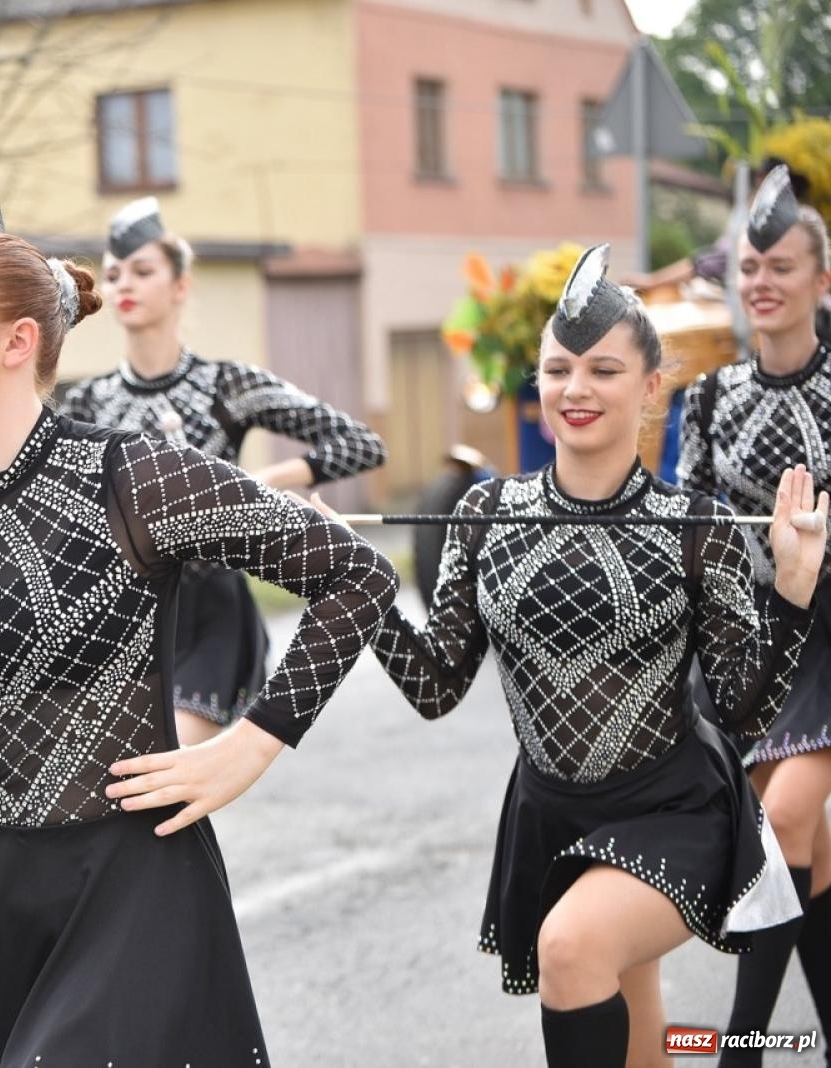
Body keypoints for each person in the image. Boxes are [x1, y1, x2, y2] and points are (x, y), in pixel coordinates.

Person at [0, 174, 398, 1065]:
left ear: (18, 342)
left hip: (135, 882)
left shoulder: (135, 476)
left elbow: (355, 577)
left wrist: (250, 746)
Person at [364, 244, 824, 1068]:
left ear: (652, 388)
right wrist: (358, 585)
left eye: (604, 370)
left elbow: (746, 711)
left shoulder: (697, 525)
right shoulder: (484, 512)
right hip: (551, 818)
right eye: (559, 367)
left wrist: (790, 592)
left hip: (675, 813)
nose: (576, 388)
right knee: (640, 1043)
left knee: (572, 949)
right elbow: (435, 686)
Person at [61, 196, 386, 744]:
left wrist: (260, 487)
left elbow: (360, 444)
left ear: (180, 285)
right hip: (124, 614)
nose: (125, 285)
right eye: (114, 275)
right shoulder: (88, 402)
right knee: (132, 795)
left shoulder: (227, 385)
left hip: (211, 607)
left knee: (172, 769)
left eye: (143, 271)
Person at [677, 167, 831, 1065]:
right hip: (756, 638)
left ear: (820, 280)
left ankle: (740, 1050)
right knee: (804, 859)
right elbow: (694, 527)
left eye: (780, 265)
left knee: (782, 828)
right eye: (747, 267)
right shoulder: (709, 397)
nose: (761, 282)